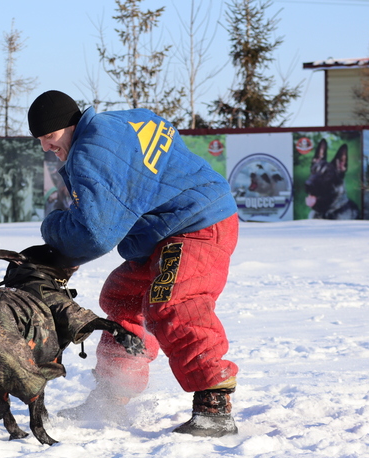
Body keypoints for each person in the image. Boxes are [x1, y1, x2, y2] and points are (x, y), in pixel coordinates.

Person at [27, 90, 241, 437]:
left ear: (71, 125)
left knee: (174, 302)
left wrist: (52, 230)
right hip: (169, 230)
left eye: (50, 136)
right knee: (123, 295)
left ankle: (214, 405)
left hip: (197, 225)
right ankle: (113, 393)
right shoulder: (120, 122)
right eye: (39, 140)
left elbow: (95, 234)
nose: (46, 147)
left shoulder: (91, 150)